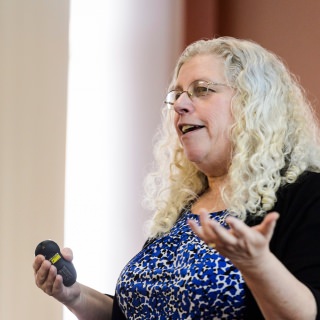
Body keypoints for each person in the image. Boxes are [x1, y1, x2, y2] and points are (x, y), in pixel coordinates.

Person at [33, 36, 320, 319]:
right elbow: (136, 313)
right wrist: (75, 296)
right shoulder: (182, 209)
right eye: (178, 94)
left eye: (202, 89)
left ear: (253, 104)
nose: (181, 104)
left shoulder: (306, 196)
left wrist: (257, 265)